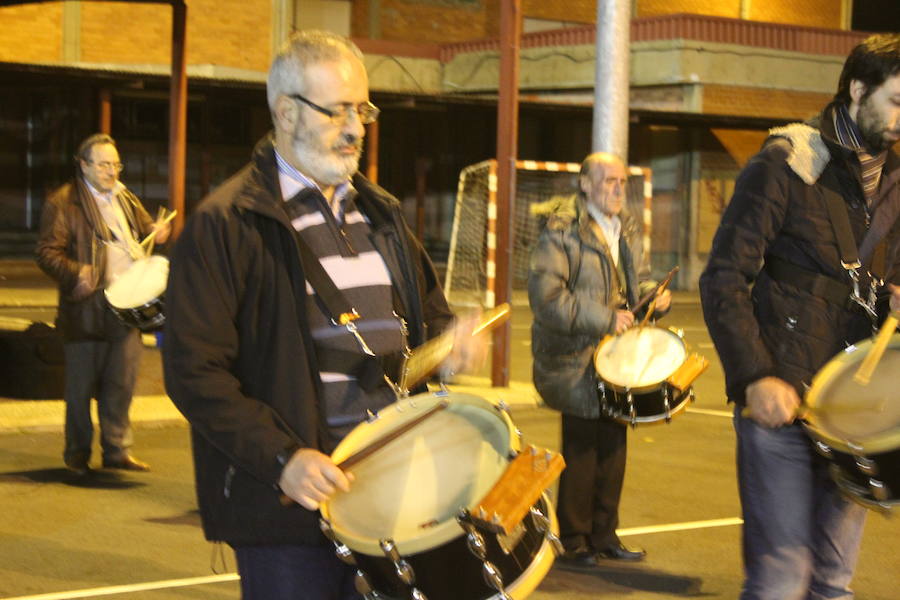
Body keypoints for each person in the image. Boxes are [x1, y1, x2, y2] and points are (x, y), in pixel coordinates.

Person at [162, 31, 482, 600]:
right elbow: (194, 371)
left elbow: (429, 322)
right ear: (285, 112)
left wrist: (450, 348)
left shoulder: (382, 215)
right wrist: (283, 458)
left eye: (362, 109)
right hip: (290, 509)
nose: (357, 128)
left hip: (393, 495)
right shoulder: (227, 224)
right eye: (337, 111)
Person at [699, 33, 900, 600]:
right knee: (781, 579)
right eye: (897, 100)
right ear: (858, 89)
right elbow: (722, 278)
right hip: (781, 402)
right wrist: (755, 375)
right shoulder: (786, 163)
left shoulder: (897, 182)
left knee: (834, 582)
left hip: (853, 413)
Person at [528, 152, 671, 570]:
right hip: (573, 358)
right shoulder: (561, 233)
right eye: (608, 180)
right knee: (583, 446)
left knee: (614, 444)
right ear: (585, 186)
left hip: (614, 356)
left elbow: (636, 278)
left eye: (621, 181)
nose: (617, 188)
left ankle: (605, 535)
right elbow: (548, 300)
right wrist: (606, 317)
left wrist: (654, 296)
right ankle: (574, 539)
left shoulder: (624, 228)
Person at [36, 133, 171, 476]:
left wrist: (158, 229)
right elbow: (46, 253)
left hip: (126, 307)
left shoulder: (125, 197)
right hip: (86, 308)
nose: (112, 171)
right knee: (79, 389)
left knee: (121, 383)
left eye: (116, 163)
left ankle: (117, 449)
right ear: (83, 165)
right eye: (103, 164)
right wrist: (76, 271)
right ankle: (77, 455)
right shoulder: (64, 202)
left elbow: (145, 230)